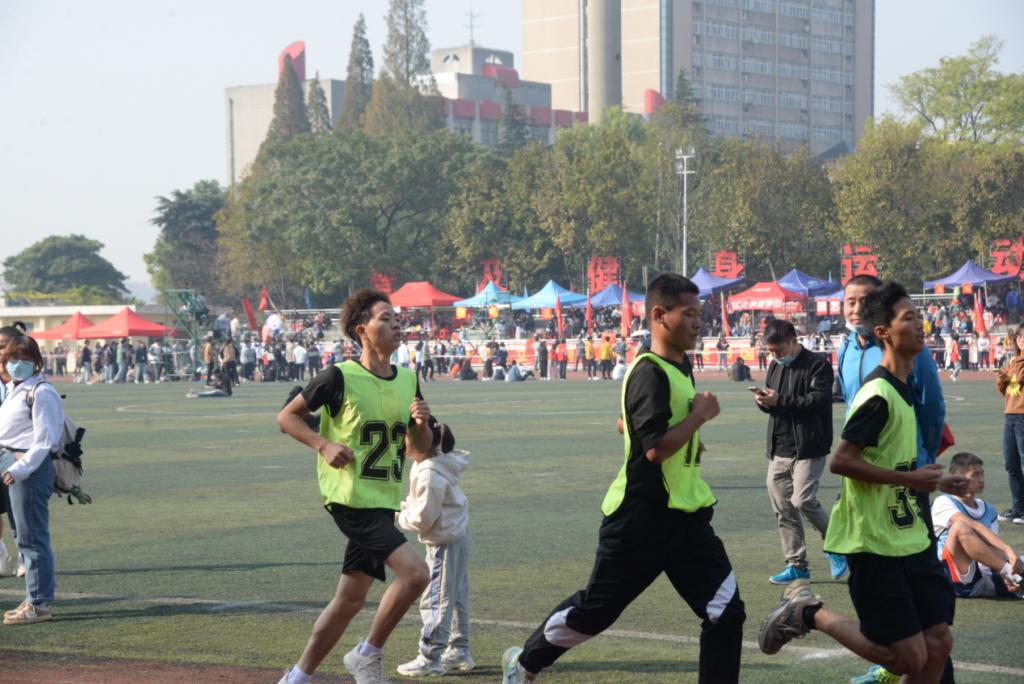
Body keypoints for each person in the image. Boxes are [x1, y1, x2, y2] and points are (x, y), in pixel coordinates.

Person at [501, 274, 745, 684]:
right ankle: (525, 662)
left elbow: (631, 425)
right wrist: (698, 418)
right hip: (640, 521)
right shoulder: (648, 371)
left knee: (726, 612)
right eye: (688, 314)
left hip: (686, 519)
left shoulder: (680, 365)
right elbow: (655, 449)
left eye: (699, 314)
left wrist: (688, 438)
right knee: (595, 612)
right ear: (659, 315)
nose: (698, 322)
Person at [759, 281, 965, 683]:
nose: (921, 325)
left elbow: (894, 459)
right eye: (910, 318)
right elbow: (842, 461)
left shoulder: (904, 387)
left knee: (938, 643)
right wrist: (908, 478)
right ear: (884, 332)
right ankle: (807, 613)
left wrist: (935, 482)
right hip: (874, 541)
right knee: (906, 659)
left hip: (908, 534)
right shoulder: (879, 394)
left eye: (919, 317)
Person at [277, 289, 434, 684]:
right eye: (385, 318)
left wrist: (421, 423)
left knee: (349, 600)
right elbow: (287, 417)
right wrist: (323, 444)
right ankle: (367, 654)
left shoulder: (408, 380)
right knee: (416, 573)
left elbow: (419, 450)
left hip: (382, 501)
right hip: (350, 499)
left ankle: (296, 677)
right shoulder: (339, 376)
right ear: (362, 330)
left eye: (397, 318)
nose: (396, 324)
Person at [753, 319, 845, 584]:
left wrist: (780, 400)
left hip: (809, 446)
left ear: (794, 340)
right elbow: (775, 404)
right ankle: (796, 564)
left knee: (802, 500)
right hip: (779, 446)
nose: (775, 356)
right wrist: (764, 402)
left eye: (779, 350)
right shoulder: (774, 366)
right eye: (771, 351)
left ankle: (836, 546)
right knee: (782, 507)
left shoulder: (817, 364)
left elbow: (817, 401)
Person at [395, 424, 475, 677]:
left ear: (421, 441)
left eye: (406, 436)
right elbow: (419, 504)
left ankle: (430, 656)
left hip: (444, 543)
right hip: (454, 536)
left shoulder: (430, 474)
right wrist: (400, 507)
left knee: (436, 600)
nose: (402, 441)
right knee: (455, 596)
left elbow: (422, 519)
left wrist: (398, 516)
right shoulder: (428, 464)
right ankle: (459, 650)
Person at [0, 334, 62, 624]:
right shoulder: (15, 389)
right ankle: (34, 598)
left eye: (25, 358)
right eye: (13, 358)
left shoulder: (41, 391)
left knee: (32, 537)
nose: (18, 364)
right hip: (10, 462)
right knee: (22, 535)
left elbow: (45, 440)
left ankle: (39, 604)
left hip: (27, 466)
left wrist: (20, 469)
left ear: (37, 361)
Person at [932, 452, 1023, 598]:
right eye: (975, 475)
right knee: (960, 527)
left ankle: (1012, 577)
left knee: (1003, 550)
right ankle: (1010, 572)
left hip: (986, 573)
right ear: (957, 479)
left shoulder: (989, 509)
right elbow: (975, 527)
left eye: (982, 474)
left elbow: (993, 546)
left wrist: (1007, 565)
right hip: (956, 577)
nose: (981, 479)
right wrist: (1008, 551)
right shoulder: (944, 502)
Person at [995, 326, 1024, 525]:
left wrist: (1015, 365)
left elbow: (1019, 379)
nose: (1021, 340)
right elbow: (1006, 390)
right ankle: (1018, 507)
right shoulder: (1013, 361)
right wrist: (1001, 380)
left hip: (1022, 416)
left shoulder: (1017, 363)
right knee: (1011, 464)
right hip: (1010, 415)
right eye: (1020, 336)